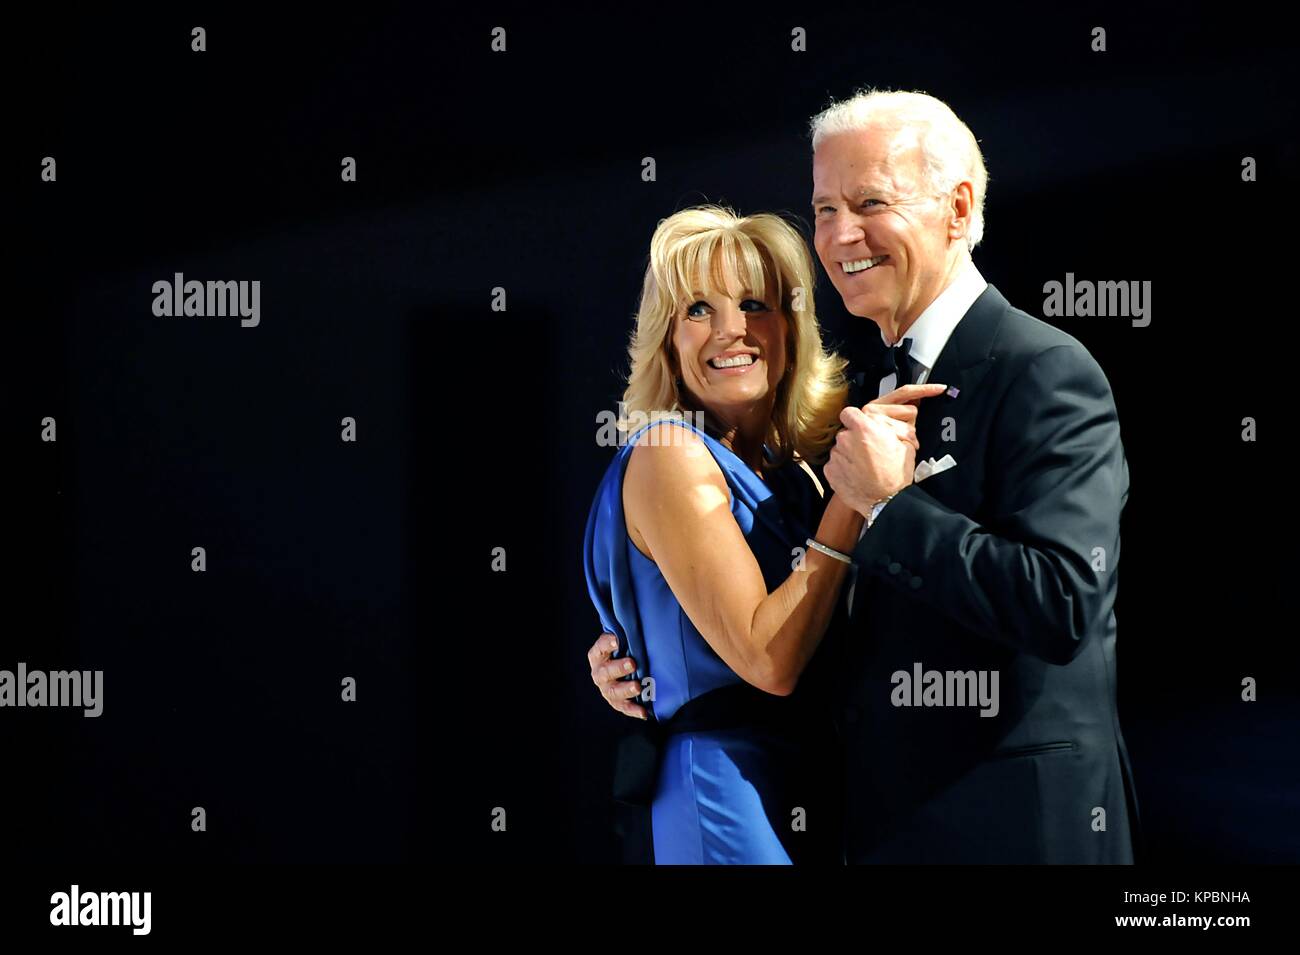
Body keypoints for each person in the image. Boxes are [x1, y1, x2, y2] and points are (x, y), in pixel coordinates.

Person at [591, 90, 1139, 864]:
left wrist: (886, 504)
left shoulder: (1043, 371)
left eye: (870, 202)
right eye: (823, 209)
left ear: (957, 207)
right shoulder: (865, 399)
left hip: (1014, 829)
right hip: (871, 822)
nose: (841, 234)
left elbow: (1062, 602)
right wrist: (653, 650)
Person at [582, 205, 944, 864]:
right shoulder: (669, 451)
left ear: (790, 328)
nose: (731, 331)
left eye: (754, 303)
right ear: (667, 338)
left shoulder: (796, 470)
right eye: (697, 310)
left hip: (814, 783)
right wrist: (853, 500)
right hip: (726, 791)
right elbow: (769, 659)